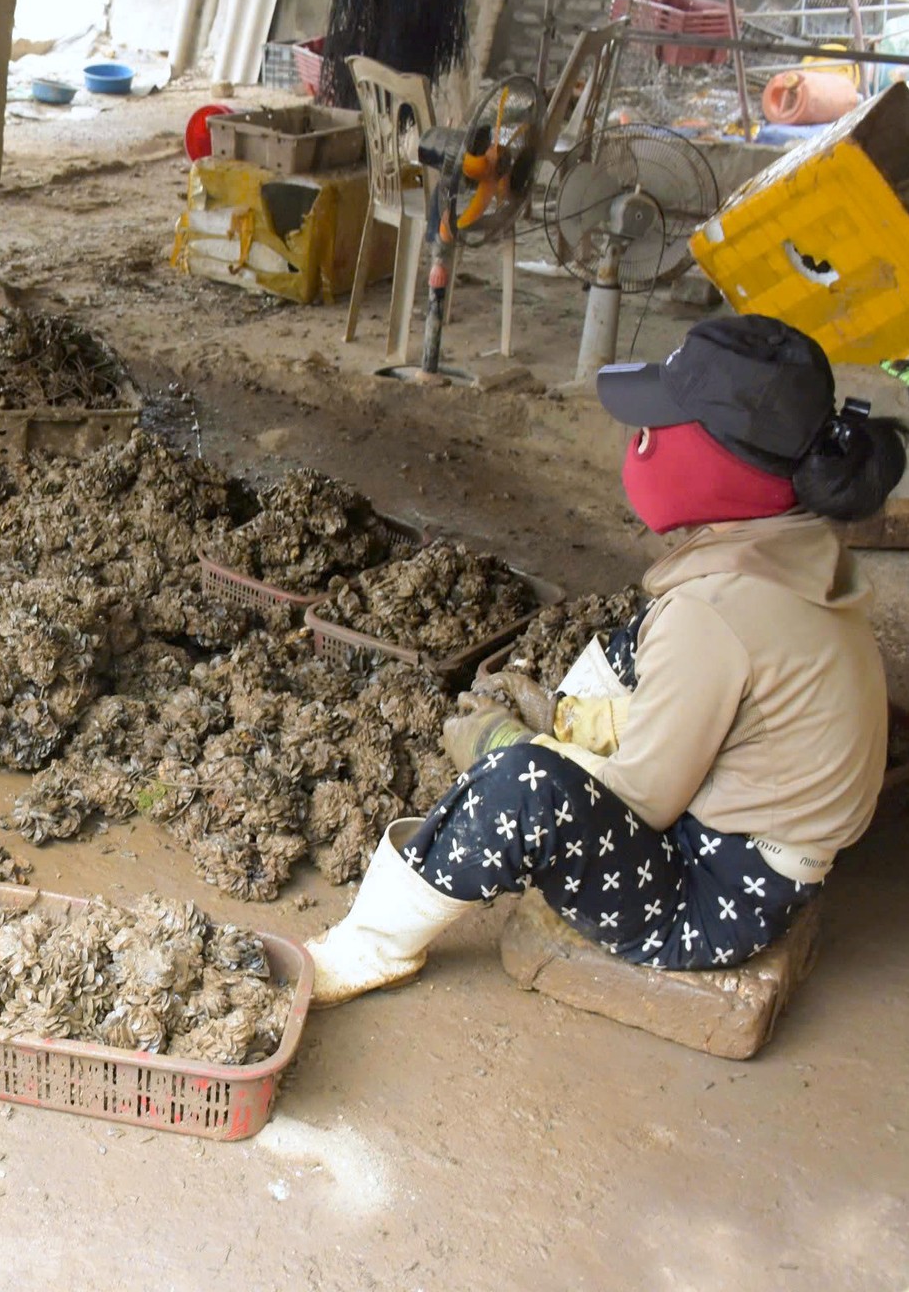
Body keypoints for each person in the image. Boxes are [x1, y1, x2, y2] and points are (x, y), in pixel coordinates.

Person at [307, 315, 903, 1003]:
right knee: (639, 632)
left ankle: (366, 948)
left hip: (715, 901)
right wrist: (572, 719)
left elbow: (641, 801)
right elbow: (718, 692)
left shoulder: (713, 616)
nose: (640, 442)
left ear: (721, 464)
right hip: (762, 846)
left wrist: (514, 744)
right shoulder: (790, 551)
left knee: (522, 789)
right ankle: (573, 729)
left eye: (657, 429)